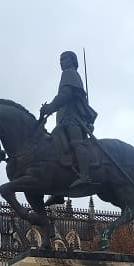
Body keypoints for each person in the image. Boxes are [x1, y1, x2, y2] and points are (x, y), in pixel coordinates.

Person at [40, 51, 98, 191]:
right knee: (57, 146)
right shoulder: (68, 74)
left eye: (64, 58)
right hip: (64, 119)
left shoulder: (69, 73)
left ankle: (85, 176)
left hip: (73, 119)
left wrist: (51, 107)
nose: (61, 62)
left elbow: (65, 94)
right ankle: (59, 189)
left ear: (72, 61)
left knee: (76, 143)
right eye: (60, 59)